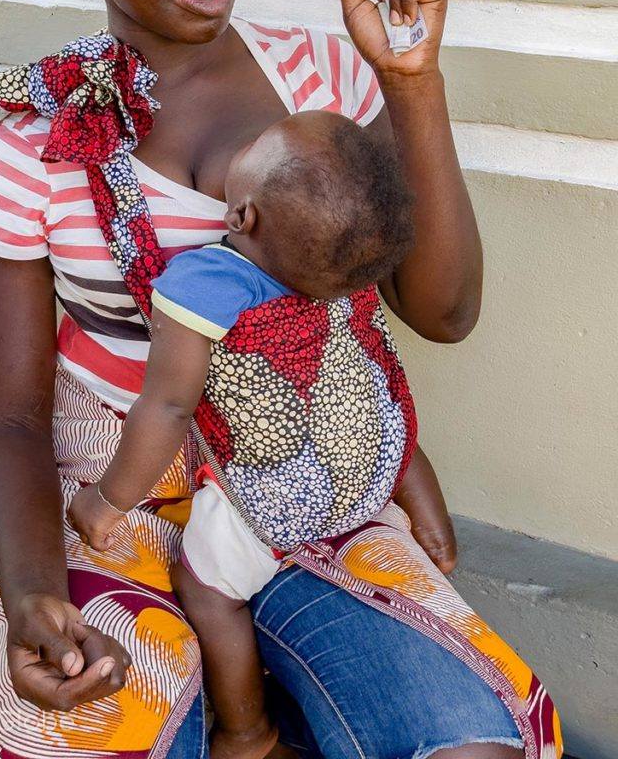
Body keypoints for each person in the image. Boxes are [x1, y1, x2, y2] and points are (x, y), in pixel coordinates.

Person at [0, 0, 561, 759]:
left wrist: (408, 86)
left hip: (308, 464)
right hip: (117, 490)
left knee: (468, 742)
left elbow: (440, 311)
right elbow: (8, 418)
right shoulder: (36, 144)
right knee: (72, 740)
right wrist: (31, 594)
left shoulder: (316, 84)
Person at [66, 109, 456, 759]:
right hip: (367, 476)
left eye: (250, 148)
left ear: (241, 218)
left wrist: (106, 503)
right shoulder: (349, 276)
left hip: (271, 501)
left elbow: (165, 409)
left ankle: (247, 730)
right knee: (372, 404)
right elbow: (380, 397)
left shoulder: (205, 284)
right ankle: (430, 531)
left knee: (208, 593)